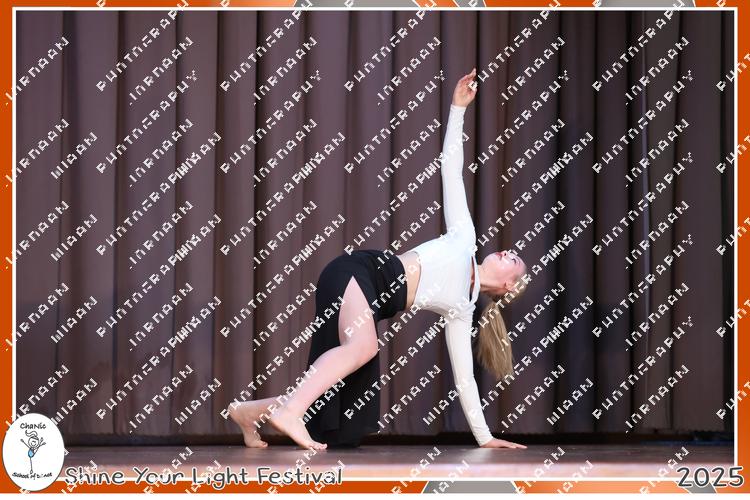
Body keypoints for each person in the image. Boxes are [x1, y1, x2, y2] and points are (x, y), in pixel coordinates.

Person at [228, 69, 529, 451]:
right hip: (361, 271)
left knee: (343, 420)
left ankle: (248, 412)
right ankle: (290, 413)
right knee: (364, 348)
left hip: (368, 297)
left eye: (514, 261)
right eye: (510, 252)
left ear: (507, 286)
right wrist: (458, 109)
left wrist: (485, 438)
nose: (507, 252)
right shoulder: (465, 238)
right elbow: (450, 170)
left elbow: (465, 378)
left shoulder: (463, 309)